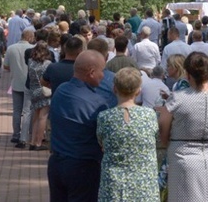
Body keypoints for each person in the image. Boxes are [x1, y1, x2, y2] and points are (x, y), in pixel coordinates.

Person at [159, 52, 208, 202]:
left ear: (187, 74)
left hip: (184, 157)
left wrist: (165, 142)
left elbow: (164, 126)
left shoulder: (178, 98)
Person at [48, 50, 111, 201]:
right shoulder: (98, 103)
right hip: (83, 167)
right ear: (91, 72)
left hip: (56, 164)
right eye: (102, 71)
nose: (103, 76)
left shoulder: (60, 91)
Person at [97, 67, 159, 201]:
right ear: (138, 91)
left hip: (114, 184)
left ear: (115, 89)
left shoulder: (104, 117)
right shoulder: (150, 115)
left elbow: (101, 142)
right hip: (145, 184)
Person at [4, 29, 35, 148]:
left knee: (16, 110)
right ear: (31, 37)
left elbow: (6, 66)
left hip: (16, 82)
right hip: (29, 83)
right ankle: (28, 133)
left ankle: (16, 134)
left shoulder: (11, 48)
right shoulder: (34, 48)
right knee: (28, 110)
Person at [27, 42, 52, 151]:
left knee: (35, 116)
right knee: (43, 117)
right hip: (44, 91)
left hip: (34, 90)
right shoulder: (48, 63)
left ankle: (32, 141)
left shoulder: (30, 62)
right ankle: (38, 142)